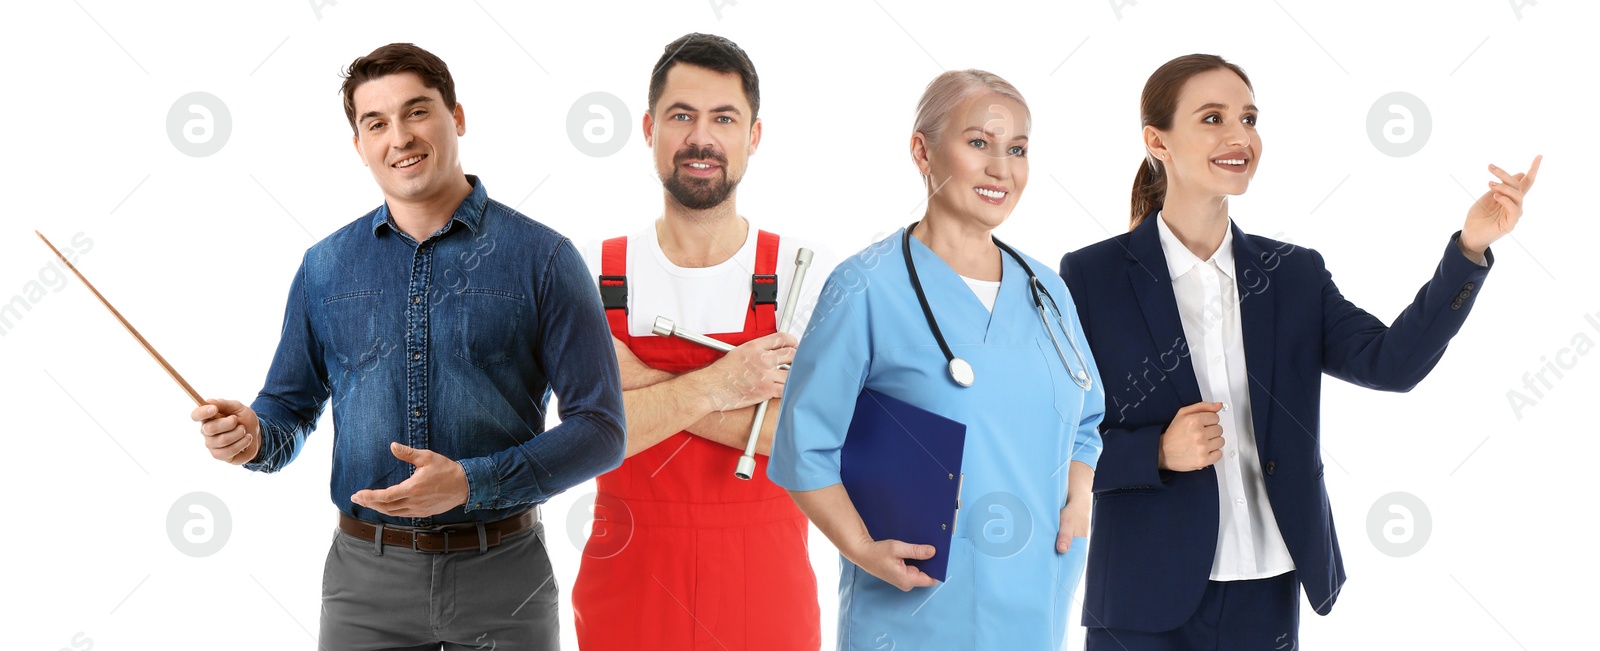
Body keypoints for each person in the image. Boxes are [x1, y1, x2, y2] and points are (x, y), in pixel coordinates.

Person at [1059, 54, 1541, 649]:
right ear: (1156, 140)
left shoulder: (1292, 274)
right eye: (1213, 118)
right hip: (1143, 595)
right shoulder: (1091, 276)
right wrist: (1155, 452)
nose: (1241, 136)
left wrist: (1469, 250)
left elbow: (1392, 365)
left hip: (1269, 587)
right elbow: (1052, 447)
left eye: (1250, 118)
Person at [187, 42, 625, 649]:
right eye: (377, 123)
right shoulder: (325, 267)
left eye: (417, 112)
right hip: (364, 586)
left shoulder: (545, 259)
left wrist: (472, 482)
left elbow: (602, 429)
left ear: (457, 117)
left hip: (505, 579)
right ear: (360, 145)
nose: (400, 137)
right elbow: (286, 411)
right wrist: (253, 436)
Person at [769, 69, 1104, 650]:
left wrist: (1079, 496)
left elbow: (1087, 421)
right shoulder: (865, 288)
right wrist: (861, 549)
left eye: (1017, 149)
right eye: (978, 143)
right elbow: (804, 449)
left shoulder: (1048, 292)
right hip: (915, 618)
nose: (1002, 168)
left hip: (1035, 607)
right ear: (922, 150)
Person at [570, 33, 835, 651]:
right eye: (681, 116)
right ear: (649, 128)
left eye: (724, 118)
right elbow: (589, 440)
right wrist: (728, 385)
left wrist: (636, 388)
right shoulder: (590, 273)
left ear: (754, 136)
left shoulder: (808, 270)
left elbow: (816, 440)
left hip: (765, 595)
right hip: (628, 593)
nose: (701, 138)